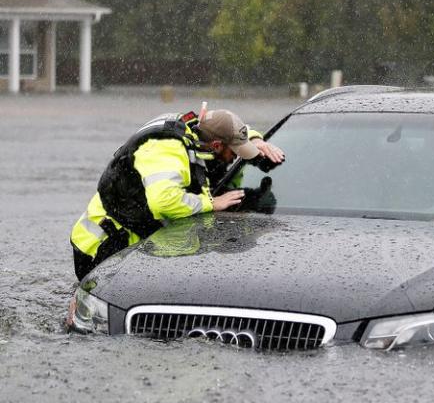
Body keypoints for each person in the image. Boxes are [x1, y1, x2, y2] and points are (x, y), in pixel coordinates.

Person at [70, 108, 284, 281]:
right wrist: (211, 202)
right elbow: (163, 202)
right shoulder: (168, 150)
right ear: (217, 145)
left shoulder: (199, 129)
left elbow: (228, 126)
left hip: (136, 240)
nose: (235, 158)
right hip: (101, 245)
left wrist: (255, 140)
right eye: (235, 152)